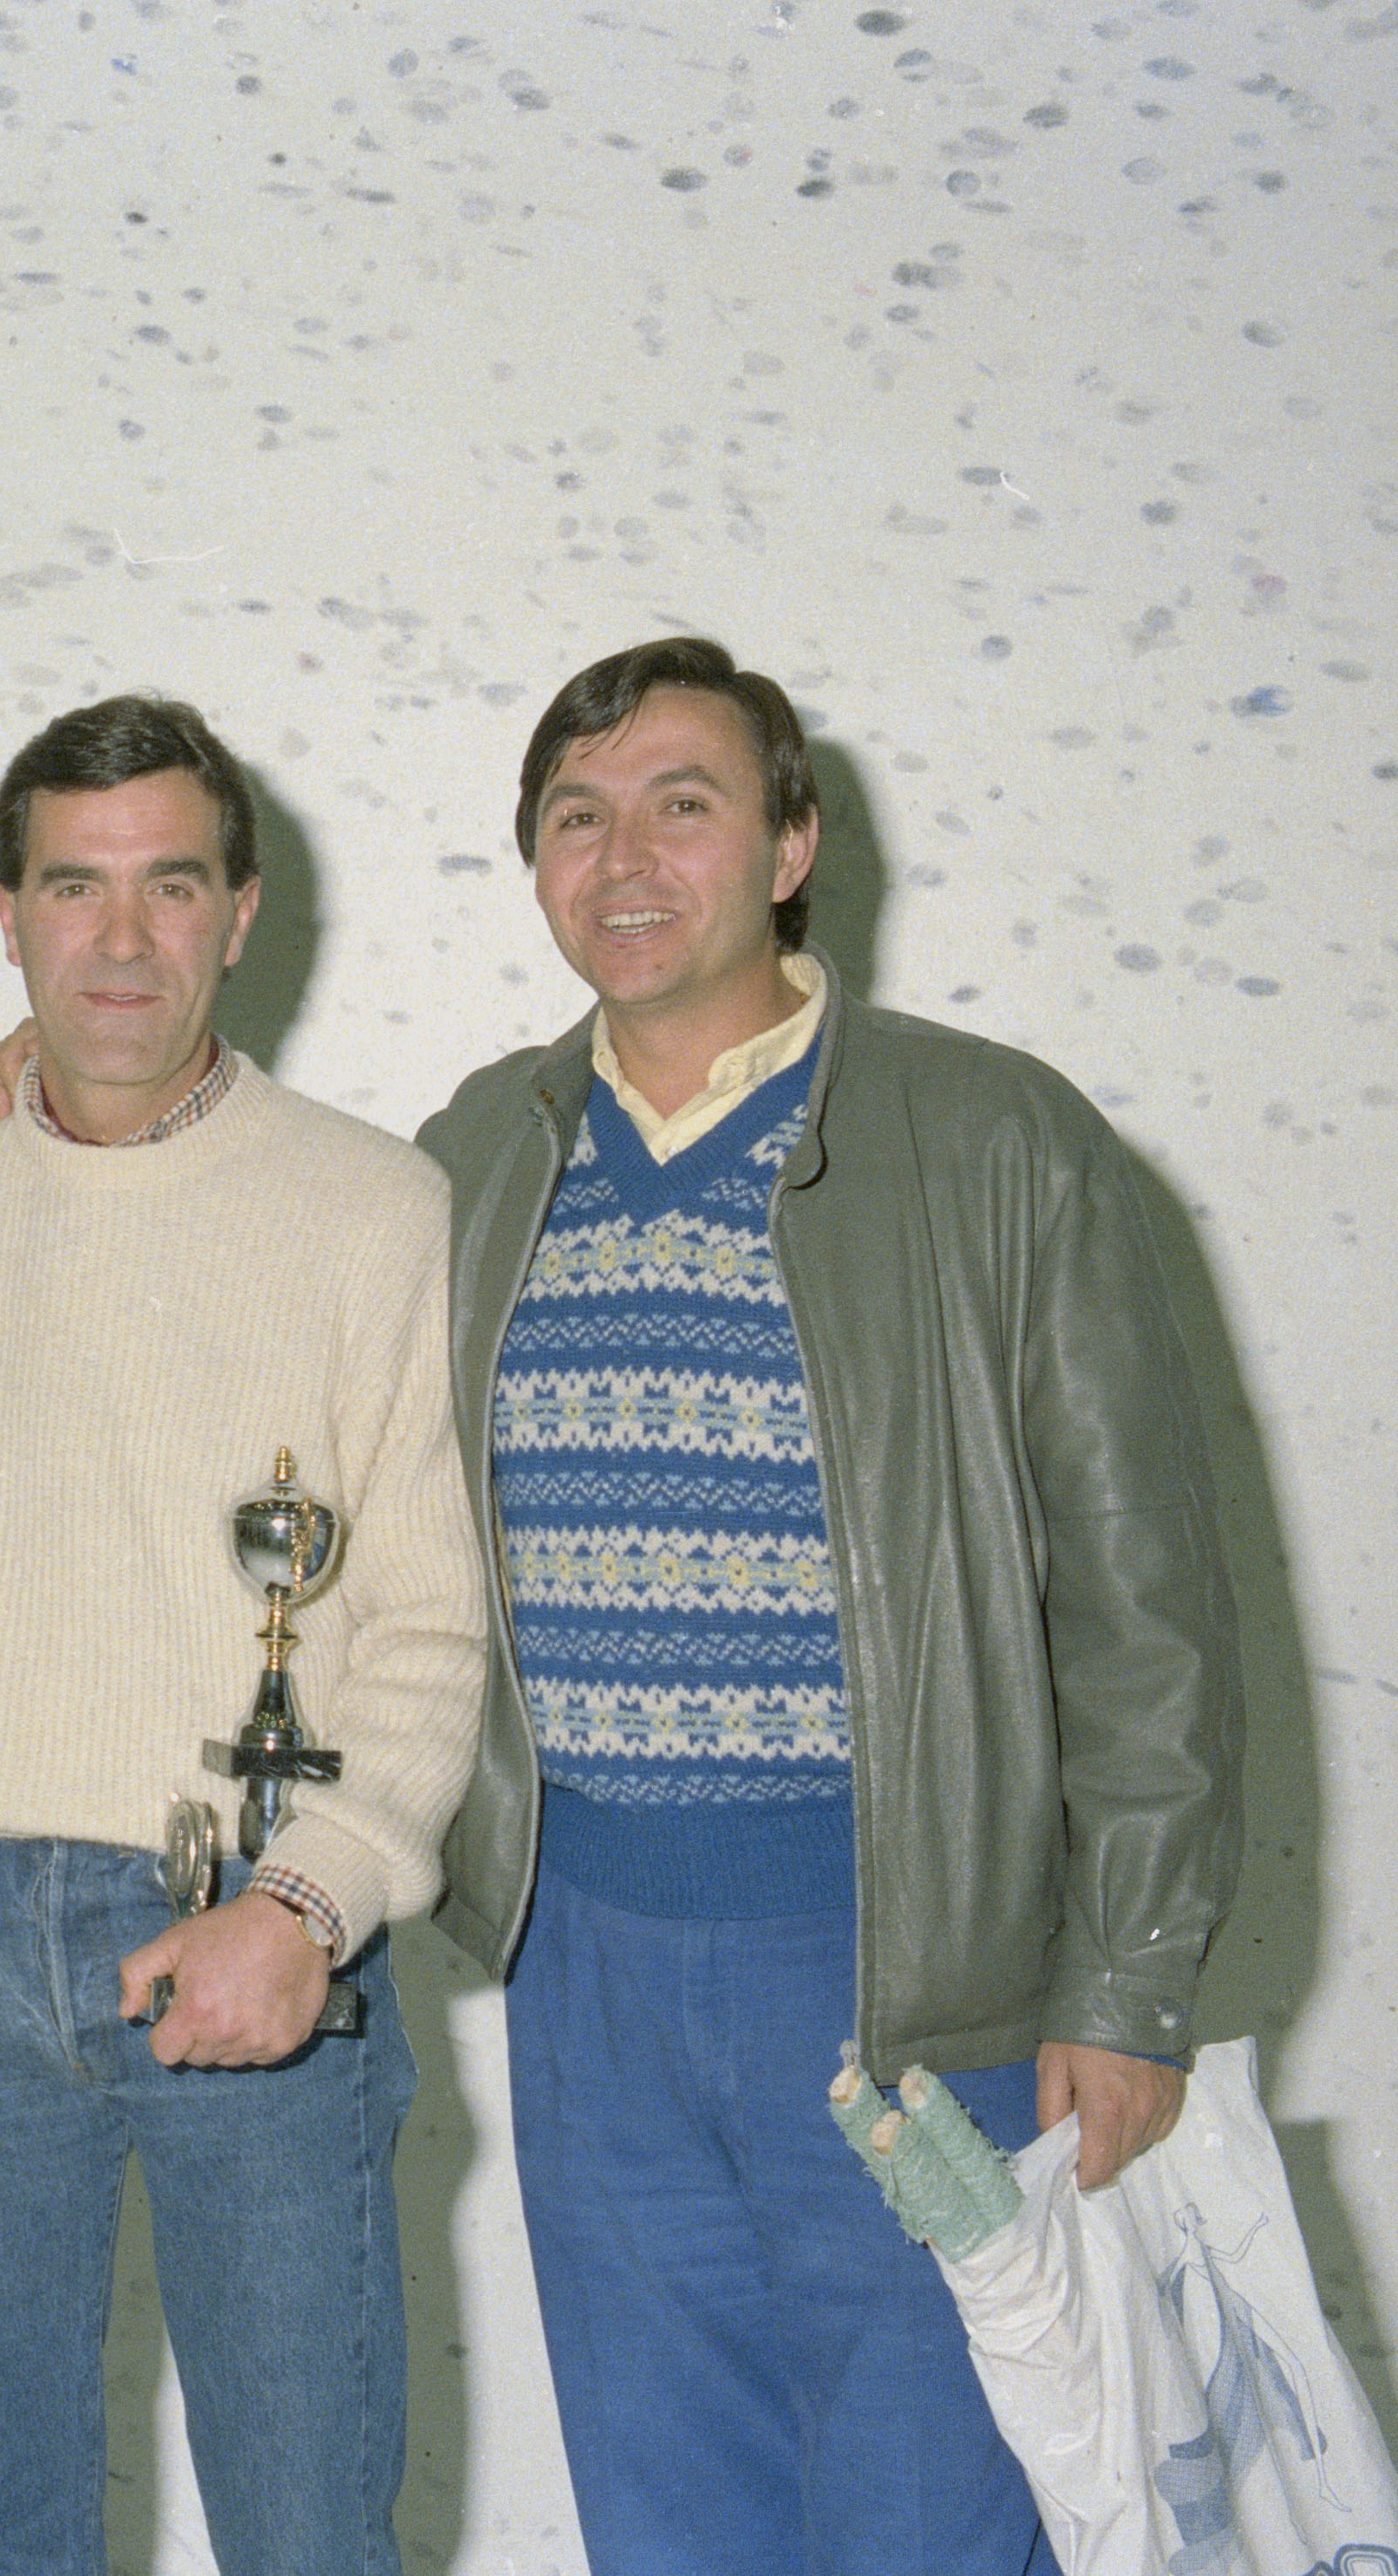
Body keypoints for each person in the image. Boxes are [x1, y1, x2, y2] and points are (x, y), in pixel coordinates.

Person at [415, 637, 1243, 2575]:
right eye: (576, 816)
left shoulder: (996, 1142)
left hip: (906, 1966)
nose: (624, 858)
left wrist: (1125, 1983)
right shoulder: (476, 1157)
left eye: (682, 806)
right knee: (668, 2516)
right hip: (585, 1966)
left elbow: (1148, 1608)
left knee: (934, 2514)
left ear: (791, 846)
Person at [0, 696, 485, 2575]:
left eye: (171, 884)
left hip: (257, 1930)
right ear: (4, 913)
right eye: (72, 886)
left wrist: (309, 1903)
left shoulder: (375, 1209)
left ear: (239, 911)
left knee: (306, 2535)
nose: (121, 937)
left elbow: (433, 1624)